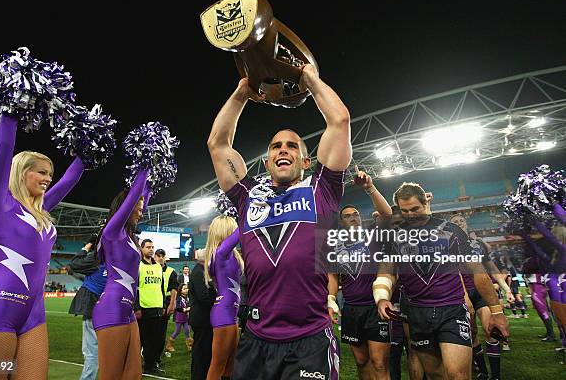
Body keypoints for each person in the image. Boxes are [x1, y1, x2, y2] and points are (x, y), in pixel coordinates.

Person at [208, 63, 351, 379]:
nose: (283, 150)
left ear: (305, 160)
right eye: (276, 146)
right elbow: (218, 145)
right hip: (256, 339)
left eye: (292, 146)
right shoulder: (248, 196)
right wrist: (242, 93)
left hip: (310, 341)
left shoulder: (321, 189)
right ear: (266, 160)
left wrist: (310, 81)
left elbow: (339, 121)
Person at [0, 113, 86, 380]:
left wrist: (88, 148)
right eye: (41, 172)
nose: (48, 178)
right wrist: (11, 113)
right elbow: (3, 147)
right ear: (21, 172)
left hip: (34, 315)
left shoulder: (41, 210)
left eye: (49, 173)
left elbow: (69, 180)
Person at [374, 182, 510, 380]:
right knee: (436, 375)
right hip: (417, 314)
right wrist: (382, 297)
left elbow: (478, 272)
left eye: (415, 209)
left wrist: (496, 311)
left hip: (452, 310)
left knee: (458, 375)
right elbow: (386, 272)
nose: (411, 215)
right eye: (405, 211)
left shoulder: (451, 231)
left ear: (425, 204)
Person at [92, 168, 151, 380]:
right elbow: (134, 195)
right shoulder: (111, 232)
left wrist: (150, 182)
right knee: (111, 376)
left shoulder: (129, 237)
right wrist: (145, 166)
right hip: (111, 309)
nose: (142, 212)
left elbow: (142, 195)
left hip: (127, 312)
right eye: (140, 208)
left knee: (134, 375)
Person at [335, 169, 392, 380]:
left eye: (356, 214)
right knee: (361, 362)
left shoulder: (373, 235)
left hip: (375, 307)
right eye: (347, 216)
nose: (352, 218)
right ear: (341, 223)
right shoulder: (336, 245)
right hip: (350, 308)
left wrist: (370, 188)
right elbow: (333, 277)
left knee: (379, 363)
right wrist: (331, 299)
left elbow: (387, 215)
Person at [450, 214, 513, 380]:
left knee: (491, 331)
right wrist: (465, 297)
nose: (458, 223)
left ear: (466, 223)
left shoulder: (478, 244)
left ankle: (496, 376)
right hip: (461, 293)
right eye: (454, 222)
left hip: (481, 292)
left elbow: (491, 268)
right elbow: (454, 273)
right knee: (471, 334)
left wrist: (507, 289)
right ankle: (483, 372)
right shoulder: (448, 245)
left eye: (461, 221)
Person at [205, 217, 244, 380]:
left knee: (230, 366)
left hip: (231, 313)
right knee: (218, 365)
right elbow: (244, 227)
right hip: (224, 313)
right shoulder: (220, 254)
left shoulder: (230, 255)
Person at [68, 233, 107, 380]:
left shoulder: (96, 259)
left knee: (91, 352)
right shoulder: (118, 259)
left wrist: (87, 246)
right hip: (110, 308)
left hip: (92, 307)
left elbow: (74, 264)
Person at [134, 238, 166, 375]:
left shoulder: (158, 267)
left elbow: (161, 287)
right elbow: (134, 288)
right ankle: (140, 365)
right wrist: (137, 307)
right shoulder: (137, 266)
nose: (151, 249)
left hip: (158, 308)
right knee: (143, 340)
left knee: (156, 340)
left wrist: (163, 304)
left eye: (152, 247)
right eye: (148, 247)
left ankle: (151, 365)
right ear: (141, 249)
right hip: (144, 308)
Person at [189, 248, 217, 380]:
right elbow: (203, 297)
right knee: (201, 350)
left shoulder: (200, 271)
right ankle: (198, 375)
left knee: (203, 349)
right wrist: (217, 300)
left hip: (202, 317)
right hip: (201, 318)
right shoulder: (198, 272)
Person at [155, 248, 178, 362]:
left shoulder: (171, 271)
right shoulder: (148, 269)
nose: (160, 258)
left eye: (162, 256)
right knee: (150, 330)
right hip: (151, 302)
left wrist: (172, 304)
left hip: (165, 302)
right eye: (158, 255)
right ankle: (148, 353)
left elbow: (174, 289)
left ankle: (158, 354)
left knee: (161, 330)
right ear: (154, 257)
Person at [168, 283, 192, 352]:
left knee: (187, 331)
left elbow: (189, 305)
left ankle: (189, 345)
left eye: (187, 288)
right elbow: (178, 308)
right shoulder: (178, 298)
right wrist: (185, 309)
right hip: (179, 317)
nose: (186, 290)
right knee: (177, 331)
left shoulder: (187, 297)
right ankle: (169, 345)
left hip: (186, 317)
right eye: (184, 289)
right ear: (180, 290)